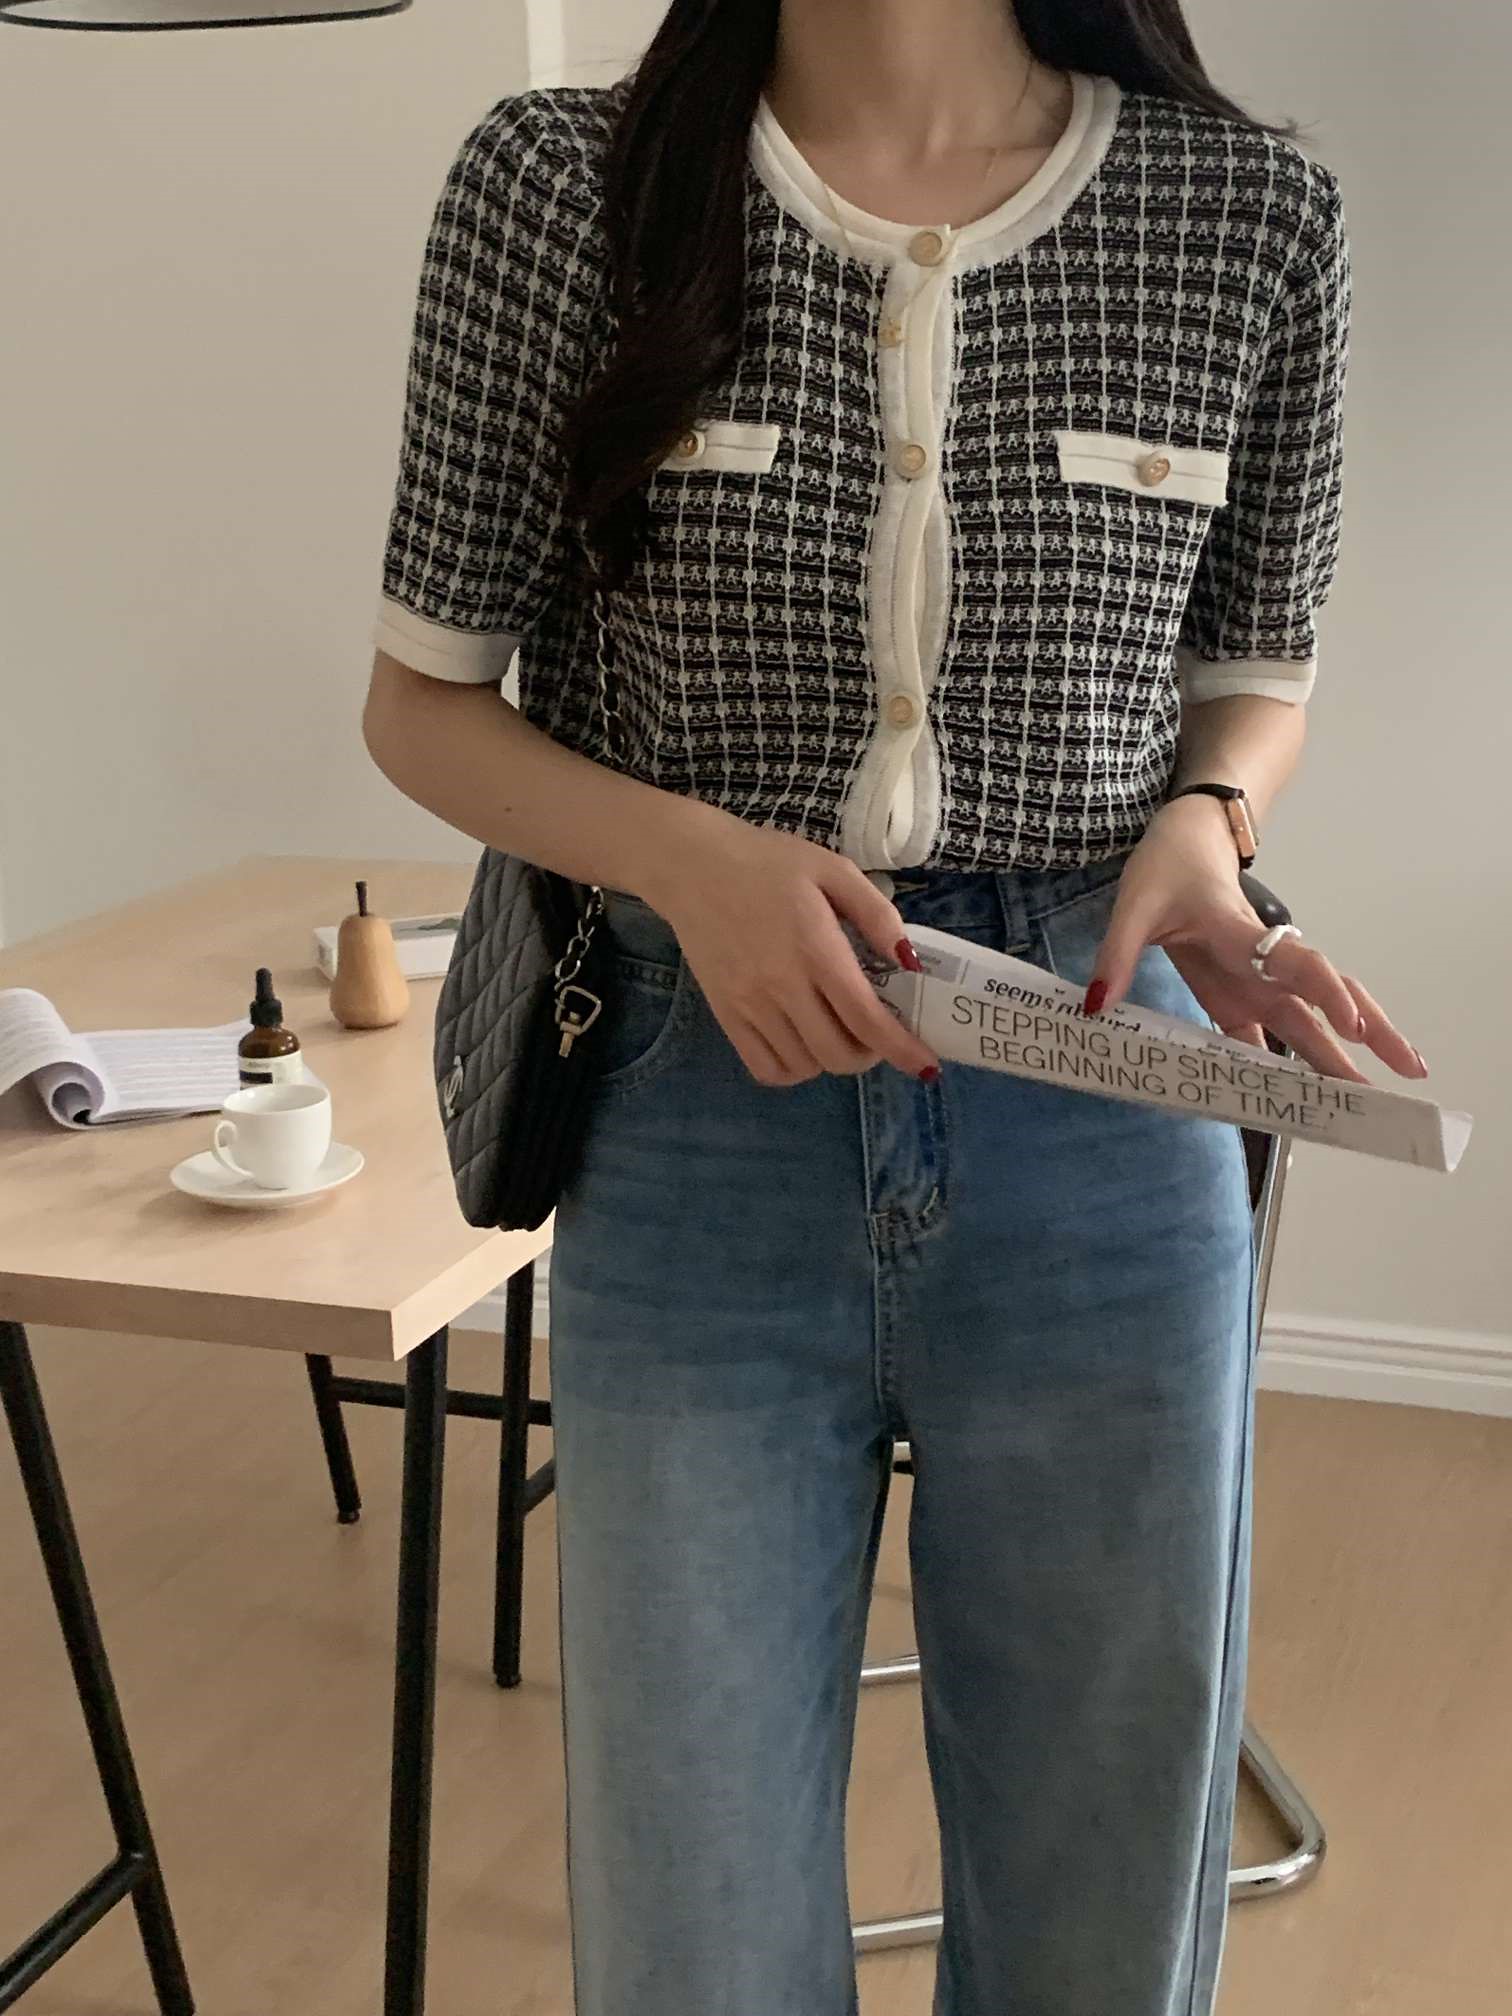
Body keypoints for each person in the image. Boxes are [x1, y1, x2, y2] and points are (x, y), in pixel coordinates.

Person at [363, 4, 1425, 2011]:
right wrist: (692, 861)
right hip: (695, 1104)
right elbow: (422, 702)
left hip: (1103, 1114)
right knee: (689, 1907)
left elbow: (1254, 679)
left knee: (1104, 1881)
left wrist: (1206, 826)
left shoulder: (1247, 214)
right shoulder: (558, 188)